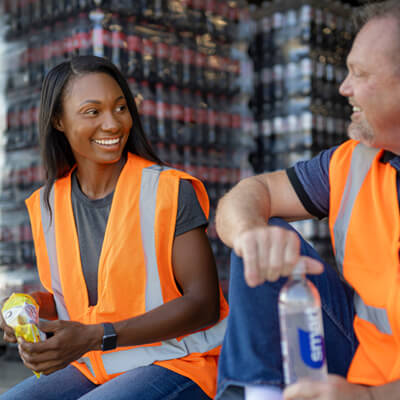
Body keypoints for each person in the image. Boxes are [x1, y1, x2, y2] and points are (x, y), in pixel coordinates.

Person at [0, 55, 229, 400]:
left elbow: (204, 304)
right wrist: (33, 307)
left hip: (179, 362)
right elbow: (77, 300)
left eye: (120, 108)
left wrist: (95, 336)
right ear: (59, 121)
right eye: (93, 112)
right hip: (96, 364)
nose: (113, 124)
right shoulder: (47, 204)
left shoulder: (167, 190)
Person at [214, 1, 400, 399]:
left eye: (360, 74)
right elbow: (251, 193)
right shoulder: (354, 163)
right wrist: (248, 234)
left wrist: (369, 398)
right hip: (361, 360)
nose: (343, 88)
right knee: (264, 236)